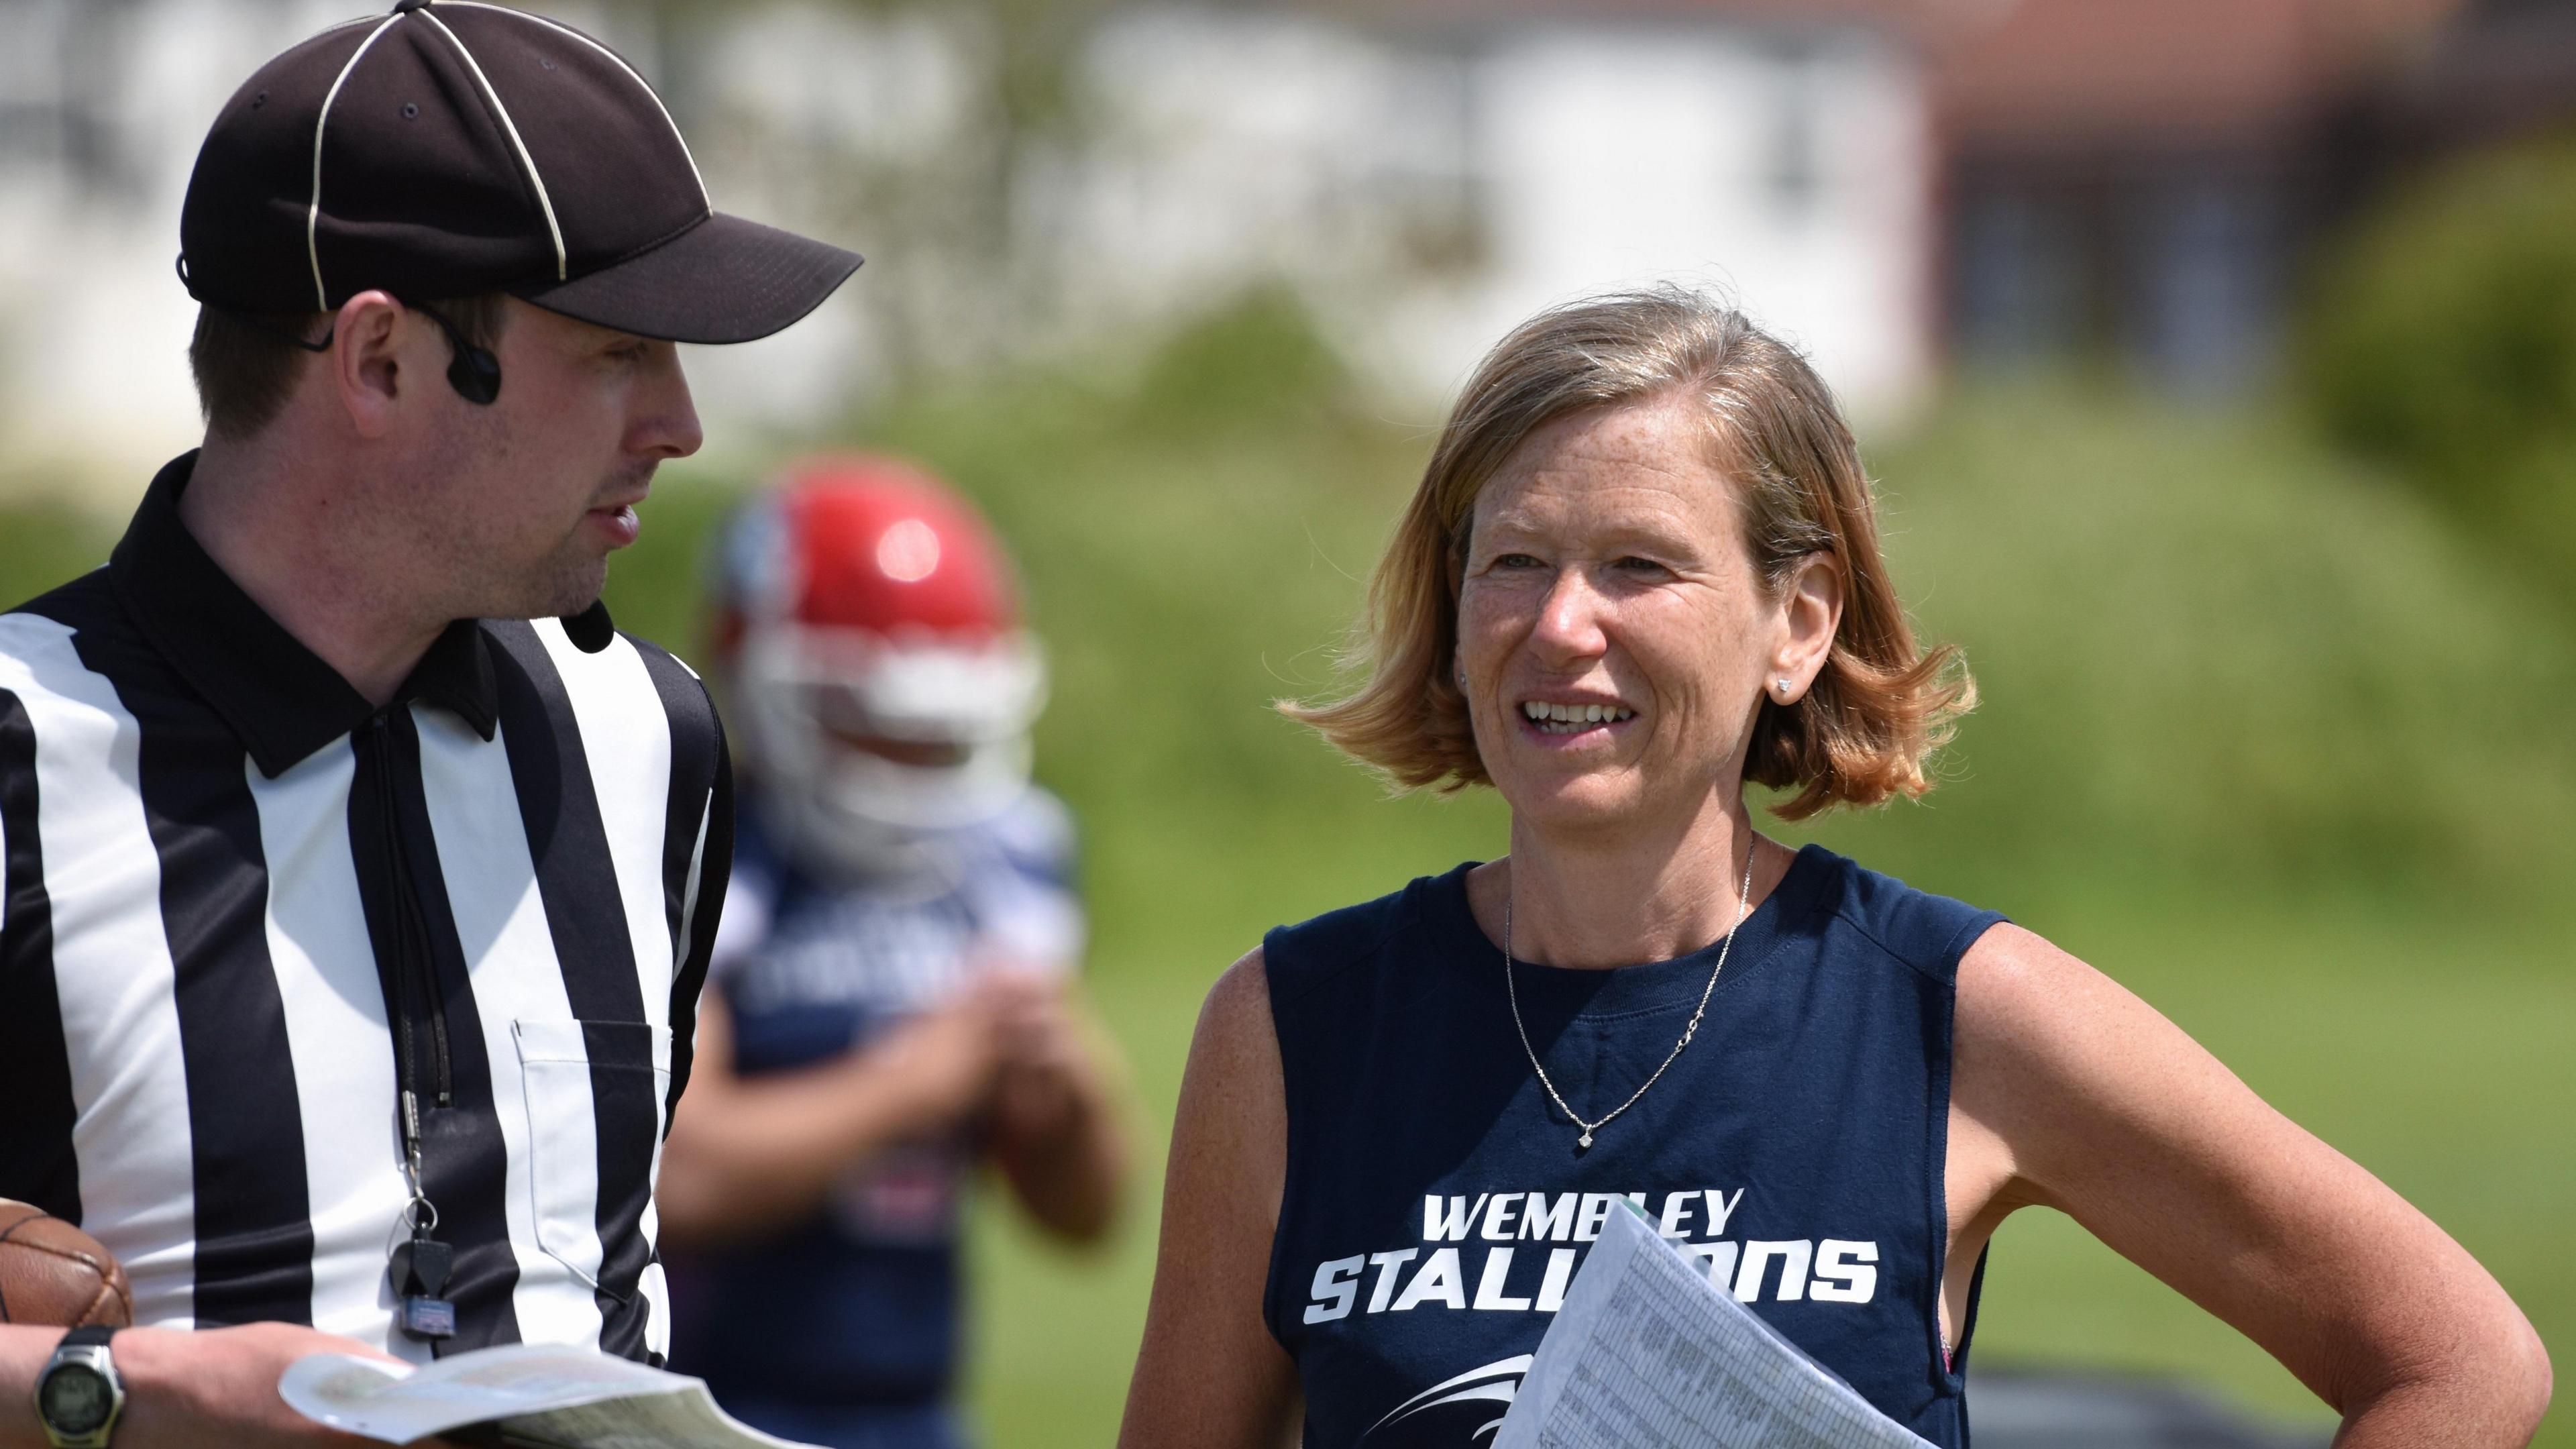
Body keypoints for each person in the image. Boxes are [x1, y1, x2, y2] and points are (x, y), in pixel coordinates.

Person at [1116, 289, 2553, 1448]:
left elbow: (2462, 1365)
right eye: (1514, 562)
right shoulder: (1291, 1028)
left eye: (1638, 566)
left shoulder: (1958, 1014)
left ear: (1796, 622)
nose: (1560, 627)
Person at [0, 3, 859, 1445]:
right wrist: (110, 1399)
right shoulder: (22, 754)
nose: (683, 419)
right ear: (382, 360)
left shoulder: (656, 739)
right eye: (615, 350)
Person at [654, 455, 1130, 1449]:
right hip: (712, 1410)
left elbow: (1086, 1215)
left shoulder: (1005, 861)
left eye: (936, 734)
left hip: (918, 1414)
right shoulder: (713, 862)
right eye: (871, 724)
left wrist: (1067, 1089)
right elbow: (677, 1183)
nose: (911, 763)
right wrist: (915, 1082)